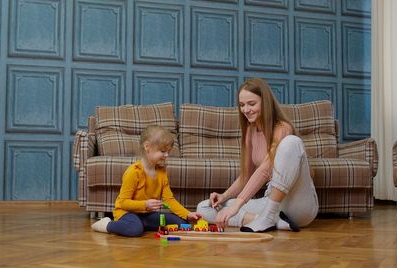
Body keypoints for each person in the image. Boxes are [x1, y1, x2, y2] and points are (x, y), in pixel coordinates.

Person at [196, 78, 319, 233]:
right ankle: (275, 222)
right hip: (273, 205)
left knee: (291, 142)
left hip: (299, 204)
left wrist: (236, 206)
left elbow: (264, 170)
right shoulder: (250, 131)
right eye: (242, 105)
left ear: (265, 102)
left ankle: (268, 217)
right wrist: (224, 196)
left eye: (251, 104)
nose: (246, 109)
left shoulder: (283, 128)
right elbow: (245, 177)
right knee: (204, 208)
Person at [91, 125, 202, 237]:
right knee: (135, 230)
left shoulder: (161, 172)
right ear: (147, 147)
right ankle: (107, 225)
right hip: (126, 212)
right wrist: (145, 204)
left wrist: (188, 214)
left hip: (146, 214)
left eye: (168, 151)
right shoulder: (134, 172)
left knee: (182, 223)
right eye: (163, 151)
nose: (167, 155)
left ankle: (140, 224)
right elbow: (123, 203)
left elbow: (169, 200)